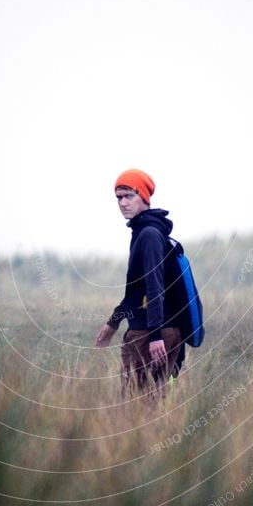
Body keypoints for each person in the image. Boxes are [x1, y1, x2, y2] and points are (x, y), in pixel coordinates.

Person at [95, 169, 184, 397]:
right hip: (158, 328)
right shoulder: (144, 231)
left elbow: (155, 287)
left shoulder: (149, 235)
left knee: (135, 404)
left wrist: (154, 336)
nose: (123, 203)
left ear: (144, 196)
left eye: (129, 195)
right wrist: (113, 323)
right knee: (153, 403)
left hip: (151, 331)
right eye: (119, 197)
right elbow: (137, 289)